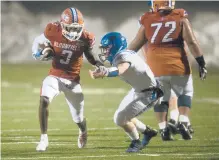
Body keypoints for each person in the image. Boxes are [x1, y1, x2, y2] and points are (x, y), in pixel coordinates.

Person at [128, 0, 207, 141]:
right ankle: (183, 121)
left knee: (161, 98)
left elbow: (135, 45)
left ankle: (163, 129)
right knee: (185, 93)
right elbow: (192, 42)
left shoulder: (147, 20)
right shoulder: (180, 17)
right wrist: (201, 62)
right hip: (178, 66)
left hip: (155, 68)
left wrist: (121, 59)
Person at [32, 7, 103, 151]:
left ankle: (83, 131)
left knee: (78, 118)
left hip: (73, 80)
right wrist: (39, 54)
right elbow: (37, 41)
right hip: (55, 75)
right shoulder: (53, 30)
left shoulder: (85, 38)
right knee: (44, 99)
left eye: (77, 29)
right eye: (70, 28)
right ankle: (44, 139)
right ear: (62, 25)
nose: (74, 32)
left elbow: (90, 55)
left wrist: (99, 64)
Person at [89, 32, 161, 152]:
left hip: (149, 93)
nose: (104, 52)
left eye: (106, 48)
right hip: (139, 89)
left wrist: (106, 72)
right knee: (122, 116)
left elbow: (121, 69)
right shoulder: (123, 54)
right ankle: (147, 132)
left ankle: (136, 142)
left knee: (120, 118)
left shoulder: (122, 57)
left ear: (115, 46)